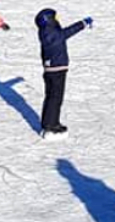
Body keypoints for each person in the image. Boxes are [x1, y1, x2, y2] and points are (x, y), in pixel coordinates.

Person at [35, 8, 92, 137]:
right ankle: (51, 124)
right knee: (55, 98)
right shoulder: (52, 33)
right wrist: (82, 24)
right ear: (49, 20)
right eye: (55, 18)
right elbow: (67, 32)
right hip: (57, 69)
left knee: (51, 97)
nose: (57, 20)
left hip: (51, 69)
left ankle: (49, 122)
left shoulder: (45, 32)